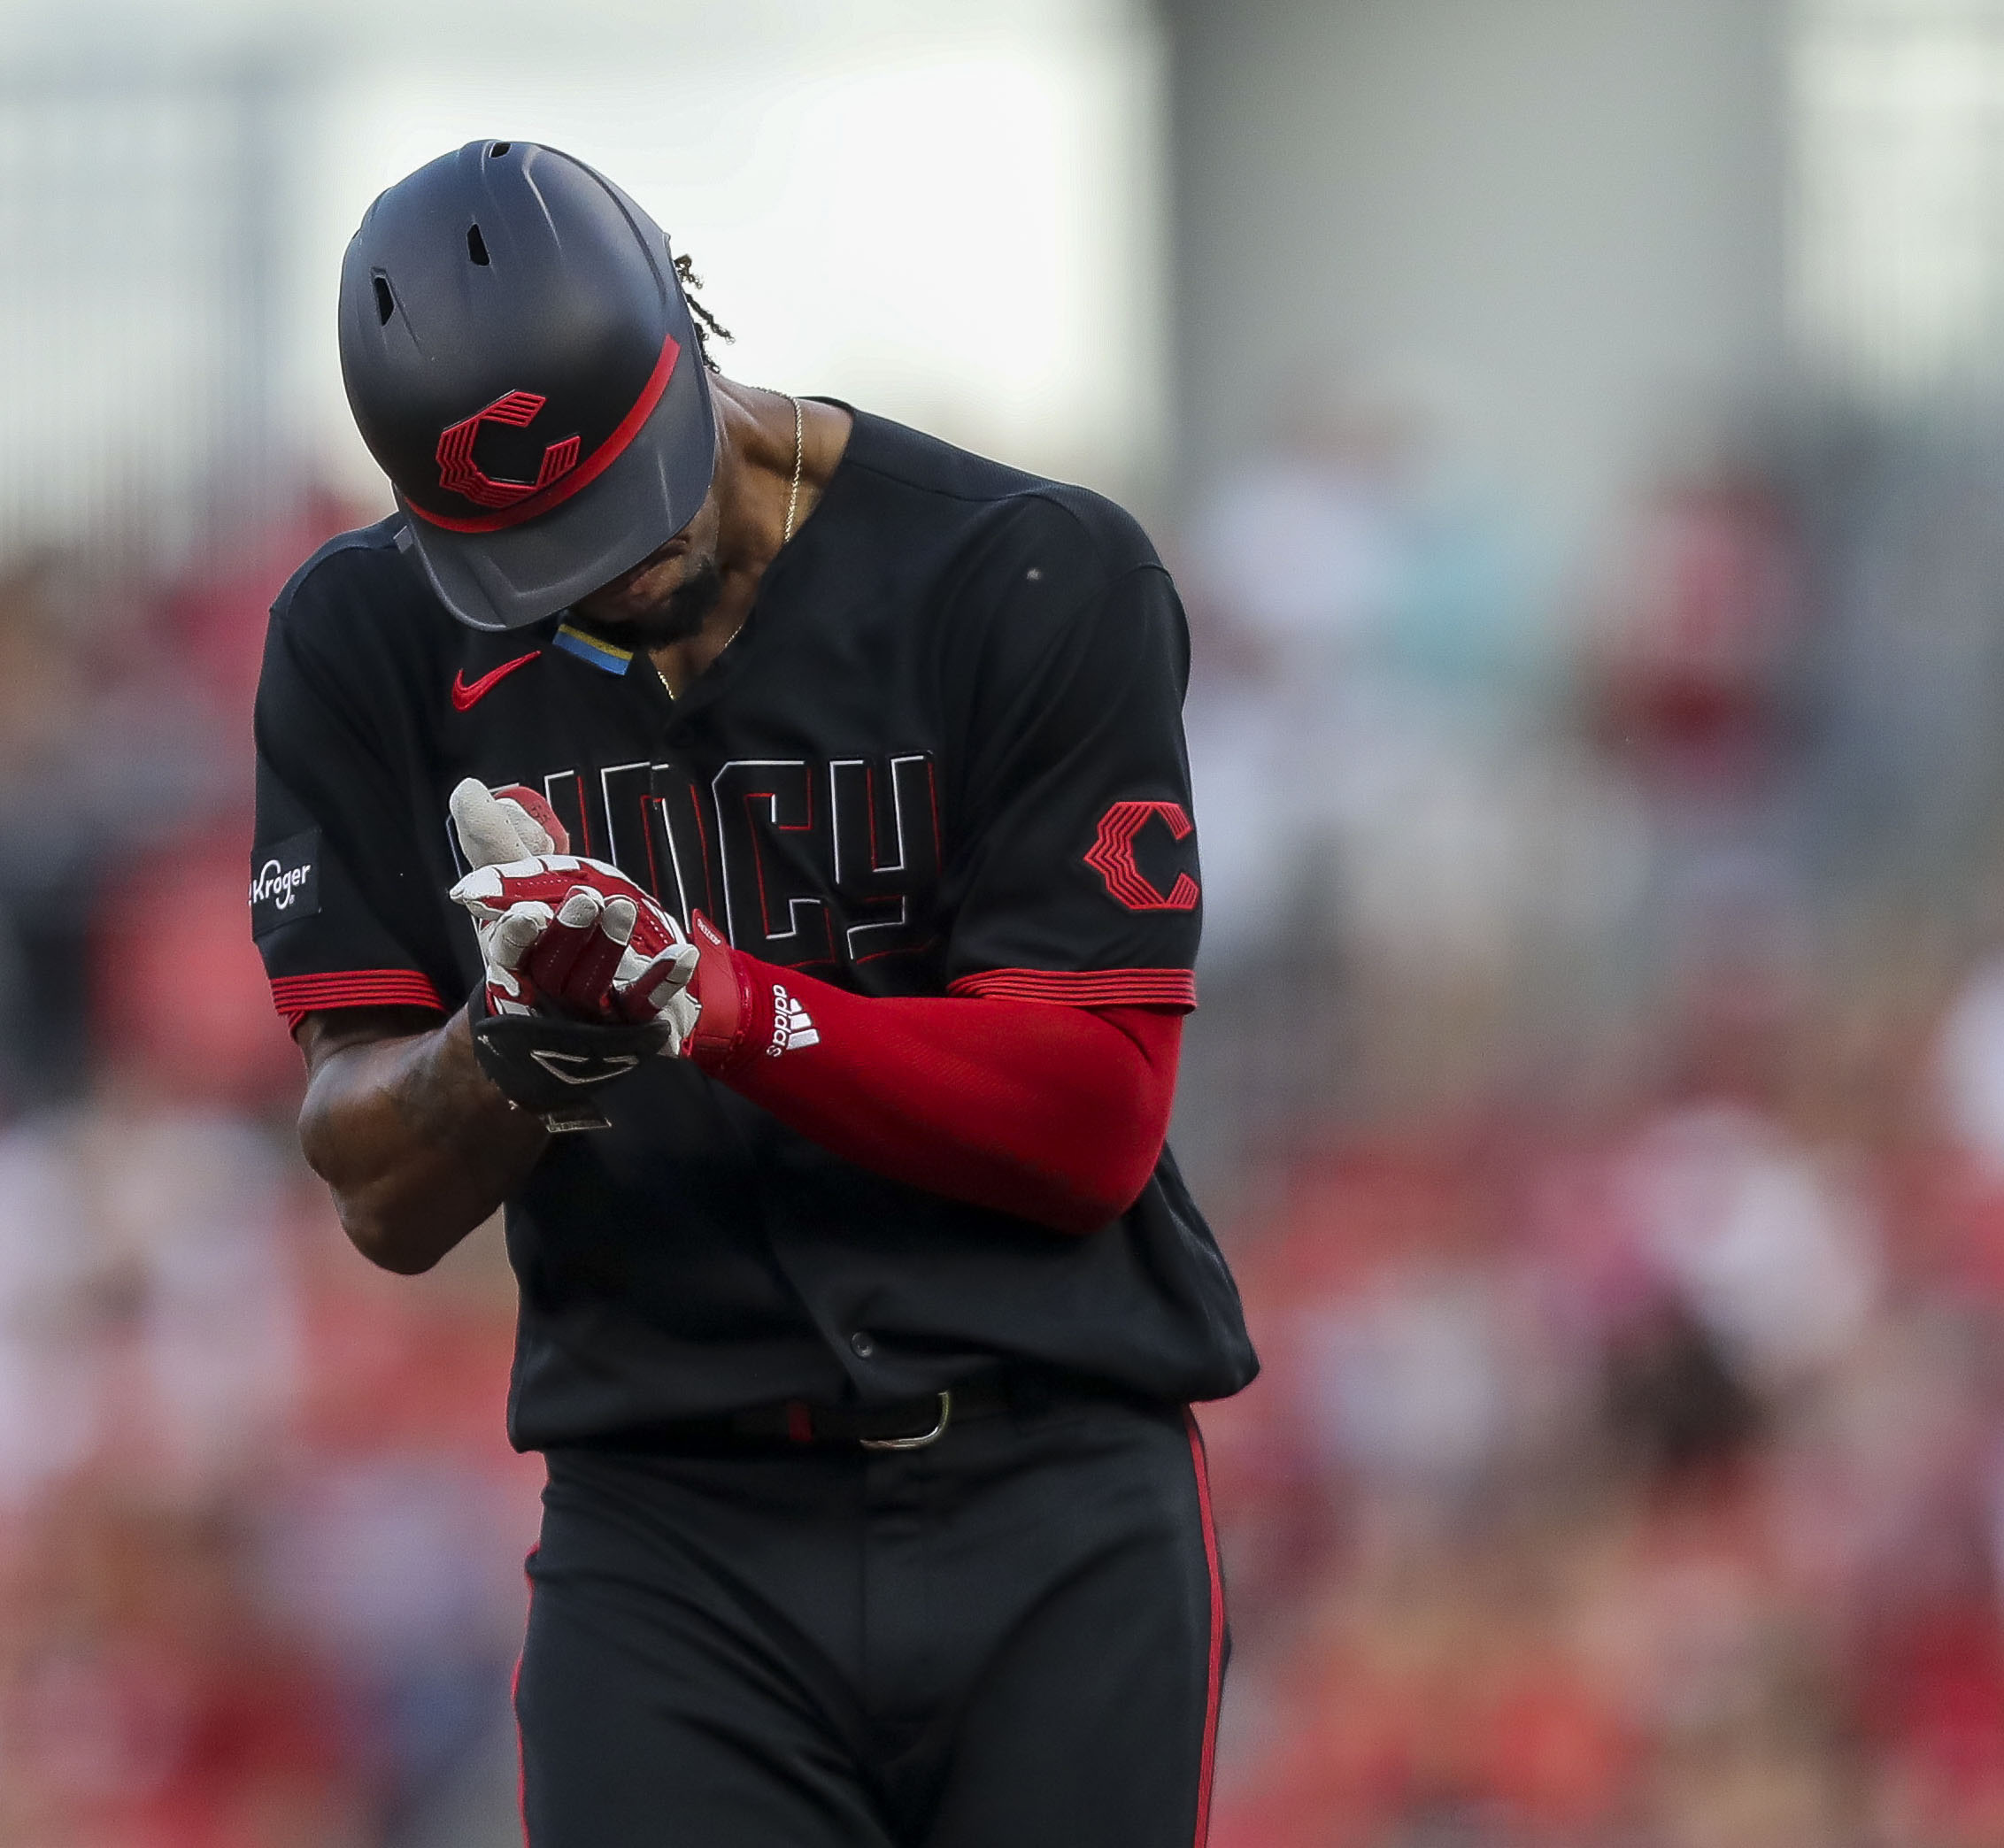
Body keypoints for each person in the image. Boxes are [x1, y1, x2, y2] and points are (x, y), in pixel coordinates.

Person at [249, 140, 1252, 1847]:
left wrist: (715, 1005)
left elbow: (1091, 1118)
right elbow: (375, 1181)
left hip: (1053, 1493)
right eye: (537, 548)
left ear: (693, 338)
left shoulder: (1027, 571)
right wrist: (516, 1046)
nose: (610, 572)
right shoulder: (366, 641)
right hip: (674, 1534)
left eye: (620, 501)